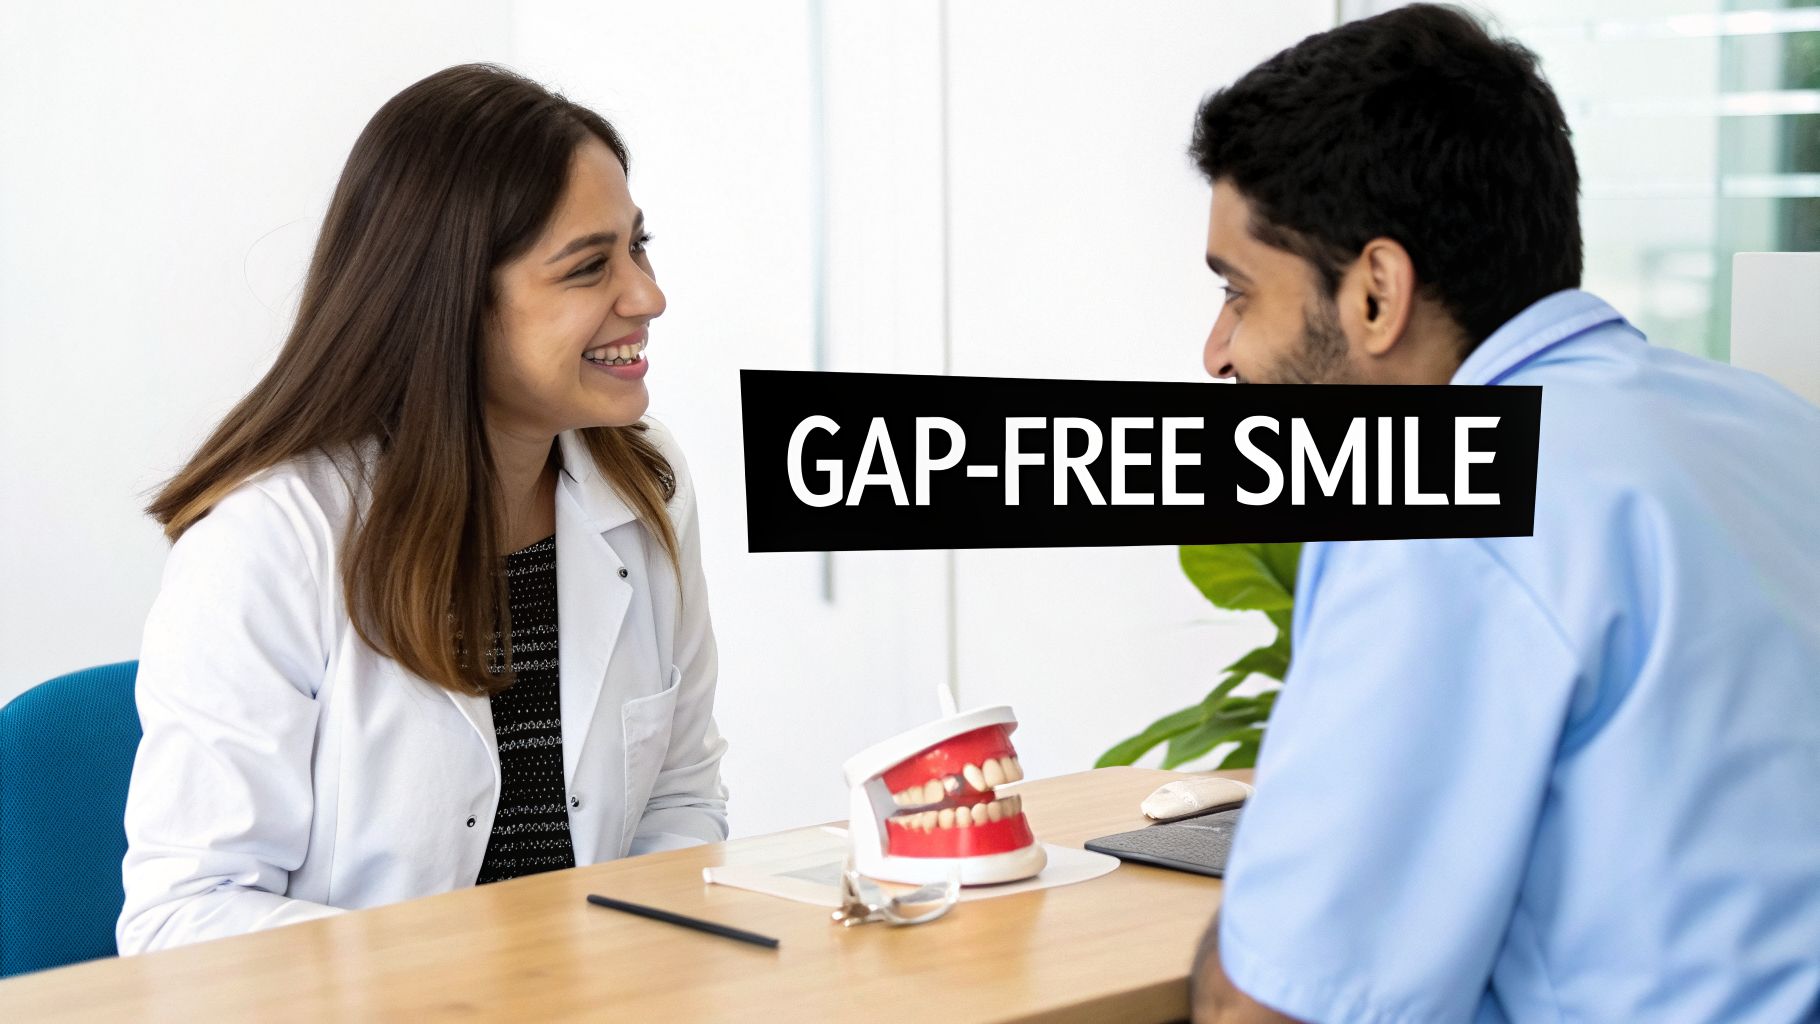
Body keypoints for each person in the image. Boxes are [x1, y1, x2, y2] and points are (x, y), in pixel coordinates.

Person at [1183, 7, 1820, 1022]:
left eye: (1239, 293)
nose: (1216, 353)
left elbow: (1268, 1004)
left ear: (1376, 295)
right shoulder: (1771, 426)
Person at [117, 64, 728, 954]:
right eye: (590, 267)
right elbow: (187, 917)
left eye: (639, 247)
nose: (647, 297)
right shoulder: (272, 539)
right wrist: (470, 986)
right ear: (451, 301)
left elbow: (679, 801)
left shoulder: (646, 483)